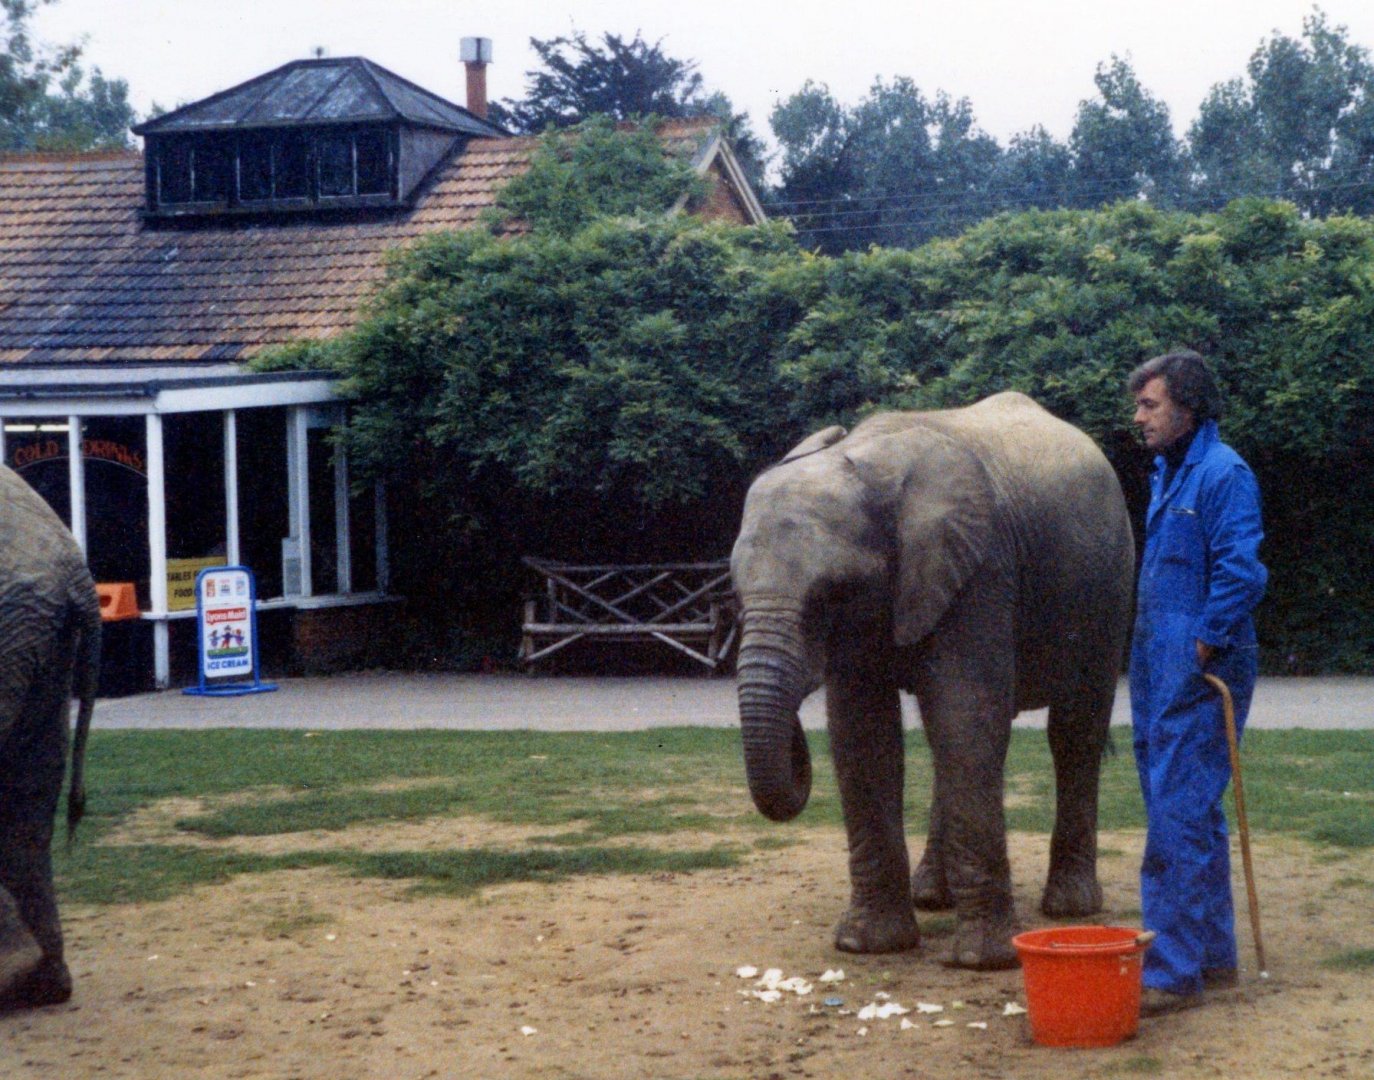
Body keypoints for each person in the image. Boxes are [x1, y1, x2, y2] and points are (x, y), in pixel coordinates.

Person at [1126, 349, 1267, 1016]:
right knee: (1184, 812)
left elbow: (1242, 571)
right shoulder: (1168, 472)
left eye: (1150, 404)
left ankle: (1170, 973)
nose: (1139, 416)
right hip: (1160, 662)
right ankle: (1211, 957)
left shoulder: (1222, 473)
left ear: (1186, 407)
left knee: (1176, 818)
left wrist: (1202, 644)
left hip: (1203, 666)